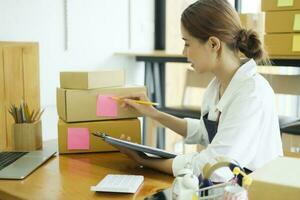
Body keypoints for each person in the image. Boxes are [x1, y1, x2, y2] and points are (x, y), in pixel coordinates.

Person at [116, 0, 283, 180]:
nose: (183, 52)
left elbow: (214, 167)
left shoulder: (252, 94)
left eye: (187, 43)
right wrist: (154, 114)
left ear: (213, 44)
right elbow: (204, 132)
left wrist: (144, 160)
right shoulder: (216, 86)